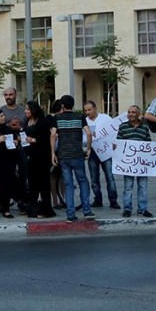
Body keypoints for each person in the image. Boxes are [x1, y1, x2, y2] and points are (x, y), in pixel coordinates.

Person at [51, 95, 94, 223]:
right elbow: (89, 133)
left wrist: (53, 153)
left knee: (68, 184)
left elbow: (53, 135)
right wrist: (89, 149)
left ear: (63, 106)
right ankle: (87, 211)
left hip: (63, 155)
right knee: (82, 181)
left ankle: (70, 214)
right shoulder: (80, 117)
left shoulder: (57, 118)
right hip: (77, 154)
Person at [115, 105, 153, 218]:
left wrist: (155, 149)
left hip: (141, 163)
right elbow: (119, 142)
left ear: (138, 114)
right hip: (128, 163)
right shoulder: (123, 127)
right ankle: (127, 208)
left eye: (133, 112)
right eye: (129, 112)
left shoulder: (145, 127)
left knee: (143, 186)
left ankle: (143, 208)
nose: (130, 114)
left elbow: (148, 143)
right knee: (128, 186)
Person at [84, 100, 120, 209]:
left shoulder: (105, 118)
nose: (87, 112)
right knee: (94, 178)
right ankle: (97, 199)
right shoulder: (85, 121)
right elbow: (83, 137)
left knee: (110, 176)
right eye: (85, 110)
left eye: (89, 110)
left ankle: (113, 200)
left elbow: (114, 131)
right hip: (93, 151)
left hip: (106, 151)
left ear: (95, 109)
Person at [24, 101, 54, 218]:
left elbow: (46, 139)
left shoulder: (42, 122)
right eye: (25, 109)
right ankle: (33, 208)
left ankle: (47, 209)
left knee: (44, 184)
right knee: (32, 184)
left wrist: (34, 140)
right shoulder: (27, 122)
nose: (26, 111)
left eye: (28, 109)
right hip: (31, 156)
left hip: (42, 157)